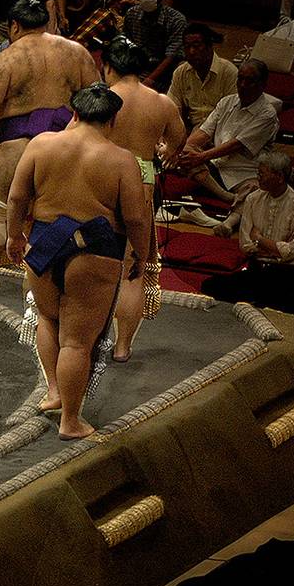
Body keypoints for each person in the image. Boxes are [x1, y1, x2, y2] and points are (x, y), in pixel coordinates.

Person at [6, 83, 149, 440]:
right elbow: (135, 218)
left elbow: (17, 197)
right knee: (77, 342)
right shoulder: (122, 160)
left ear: (74, 113)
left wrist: (14, 236)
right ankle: (70, 420)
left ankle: (55, 391)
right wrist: (142, 254)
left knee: (48, 318)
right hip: (94, 252)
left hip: (43, 243)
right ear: (112, 120)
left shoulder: (41, 144)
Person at [0, 0, 101, 296]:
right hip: (67, 146)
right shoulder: (78, 52)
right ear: (47, 23)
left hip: (19, 146)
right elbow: (99, 100)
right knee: (53, 214)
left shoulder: (8, 59)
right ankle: (43, 288)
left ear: (14, 26)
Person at [103, 37, 186, 361]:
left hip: (102, 176)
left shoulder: (103, 99)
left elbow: (74, 136)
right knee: (132, 270)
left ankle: (89, 338)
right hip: (141, 181)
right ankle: (122, 347)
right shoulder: (162, 103)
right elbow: (177, 140)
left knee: (93, 262)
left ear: (109, 67)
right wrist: (161, 150)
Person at [201, 150, 294, 311]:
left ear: (280, 177)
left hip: (287, 274)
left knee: (279, 304)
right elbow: (246, 245)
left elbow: (290, 252)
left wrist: (260, 239)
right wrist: (274, 249)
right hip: (258, 269)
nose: (258, 177)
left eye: (261, 174)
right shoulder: (253, 199)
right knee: (210, 286)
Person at [172, 58, 279, 208]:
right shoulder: (226, 102)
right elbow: (203, 132)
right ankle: (225, 196)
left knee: (254, 196)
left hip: (244, 172)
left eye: (249, 81)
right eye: (240, 79)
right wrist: (186, 150)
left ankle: (226, 200)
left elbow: (236, 145)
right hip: (215, 167)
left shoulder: (267, 114)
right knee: (185, 150)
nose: (243, 85)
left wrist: (201, 157)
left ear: (262, 85)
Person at [120, 0, 188, 87]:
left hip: (163, 72)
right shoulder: (132, 13)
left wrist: (149, 80)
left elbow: (171, 56)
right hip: (136, 67)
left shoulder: (176, 19)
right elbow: (125, 44)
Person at [167, 23, 236, 133]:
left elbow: (232, 115)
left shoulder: (228, 72)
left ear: (209, 46)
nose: (191, 51)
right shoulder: (181, 73)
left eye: (197, 46)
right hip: (191, 130)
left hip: (221, 131)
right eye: (187, 47)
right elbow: (172, 108)